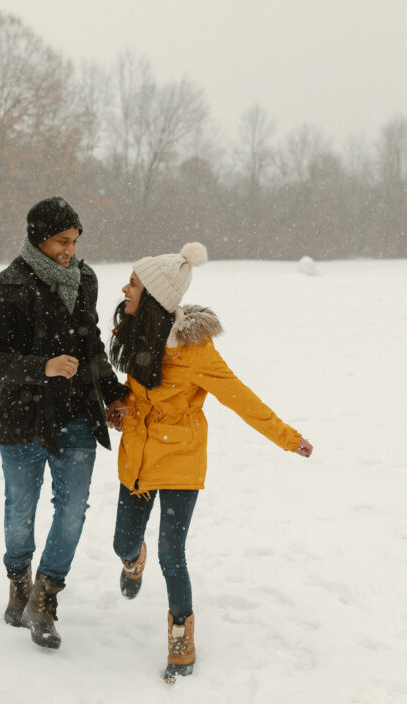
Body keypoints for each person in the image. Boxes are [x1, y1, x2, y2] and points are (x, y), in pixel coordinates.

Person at [106, 242, 313, 683]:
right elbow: (135, 387)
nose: (125, 288)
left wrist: (287, 438)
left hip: (180, 456)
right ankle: (131, 558)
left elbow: (242, 399)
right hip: (138, 456)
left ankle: (181, 632)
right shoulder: (136, 328)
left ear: (156, 297)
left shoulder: (196, 352)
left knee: (171, 553)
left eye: (135, 283)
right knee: (123, 541)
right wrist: (121, 405)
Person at [0, 196, 129, 650]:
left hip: (78, 413)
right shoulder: (5, 286)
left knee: (73, 509)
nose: (70, 250)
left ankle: (46, 594)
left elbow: (92, 343)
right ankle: (18, 579)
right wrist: (42, 367)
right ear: (38, 237)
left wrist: (113, 393)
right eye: (62, 241)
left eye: (75, 241)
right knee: (20, 510)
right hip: (22, 418)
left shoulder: (86, 280)